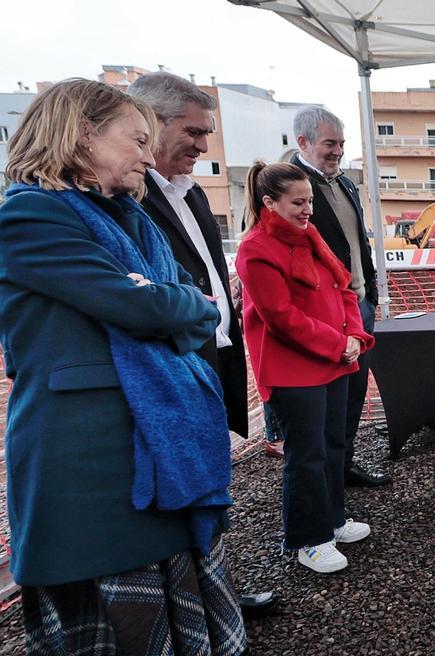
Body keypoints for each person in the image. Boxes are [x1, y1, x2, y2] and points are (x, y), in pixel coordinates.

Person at [0, 78, 247, 656]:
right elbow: (143, 306)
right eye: (137, 139)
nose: (149, 154)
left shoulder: (126, 218)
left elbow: (184, 303)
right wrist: (170, 303)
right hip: (82, 447)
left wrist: (169, 302)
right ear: (81, 132)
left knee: (159, 578)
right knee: (104, 592)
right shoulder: (29, 218)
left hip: (144, 433)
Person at [129, 71, 279, 623]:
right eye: (192, 131)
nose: (202, 145)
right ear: (150, 121)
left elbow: (210, 278)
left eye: (207, 132)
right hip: (169, 366)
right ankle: (186, 609)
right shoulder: (130, 200)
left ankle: (215, 598)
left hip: (211, 358)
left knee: (211, 484)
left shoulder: (190, 195)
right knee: (179, 488)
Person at [236, 161, 375, 574]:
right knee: (306, 455)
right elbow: (281, 317)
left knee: (333, 445)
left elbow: (344, 285)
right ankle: (307, 539)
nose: (308, 209)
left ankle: (332, 518)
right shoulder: (255, 250)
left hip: (332, 359)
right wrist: (341, 342)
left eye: (310, 200)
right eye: (298, 202)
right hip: (293, 370)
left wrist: (353, 336)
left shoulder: (308, 235)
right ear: (269, 203)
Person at [290, 106, 389, 488]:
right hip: (325, 313)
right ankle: (325, 480)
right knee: (329, 398)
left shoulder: (345, 185)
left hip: (358, 305)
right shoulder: (293, 190)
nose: (337, 151)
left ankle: (342, 466)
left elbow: (357, 243)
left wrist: (372, 293)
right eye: (330, 143)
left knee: (354, 391)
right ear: (304, 142)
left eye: (341, 144)